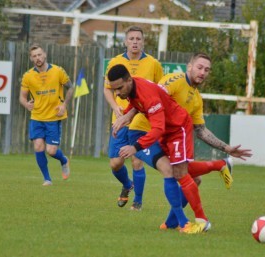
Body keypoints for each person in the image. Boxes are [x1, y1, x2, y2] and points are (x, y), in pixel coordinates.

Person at [108, 64, 211, 231]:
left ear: (129, 80)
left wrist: (135, 147)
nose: (117, 93)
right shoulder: (132, 88)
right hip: (154, 133)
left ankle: (187, 221)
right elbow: (138, 105)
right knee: (171, 171)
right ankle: (182, 223)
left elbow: (157, 128)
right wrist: (126, 115)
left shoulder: (148, 94)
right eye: (114, 90)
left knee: (184, 174)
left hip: (169, 130)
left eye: (119, 88)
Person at [158, 52, 253, 229]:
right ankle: (219, 167)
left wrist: (227, 147)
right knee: (178, 173)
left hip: (175, 139)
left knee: (191, 178)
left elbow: (201, 130)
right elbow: (152, 98)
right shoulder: (174, 81)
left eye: (207, 70)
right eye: (199, 67)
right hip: (151, 135)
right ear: (189, 66)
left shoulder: (196, 99)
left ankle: (173, 222)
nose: (202, 72)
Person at [103, 26, 163, 211]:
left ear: (143, 41)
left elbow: (160, 90)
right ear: (125, 42)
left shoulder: (153, 63)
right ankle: (128, 185)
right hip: (120, 118)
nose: (135, 42)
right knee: (115, 162)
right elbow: (107, 88)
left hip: (141, 121)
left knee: (137, 159)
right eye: (131, 39)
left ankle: (137, 202)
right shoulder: (116, 62)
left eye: (138, 38)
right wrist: (116, 108)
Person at [19, 44, 74, 186]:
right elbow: (22, 97)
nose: (37, 58)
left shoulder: (58, 71)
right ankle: (47, 179)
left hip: (53, 118)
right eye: (34, 56)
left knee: (51, 150)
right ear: (31, 59)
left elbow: (71, 88)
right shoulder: (28, 76)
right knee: (38, 146)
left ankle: (64, 160)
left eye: (39, 55)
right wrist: (26, 104)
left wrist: (64, 105)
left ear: (45, 55)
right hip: (37, 117)